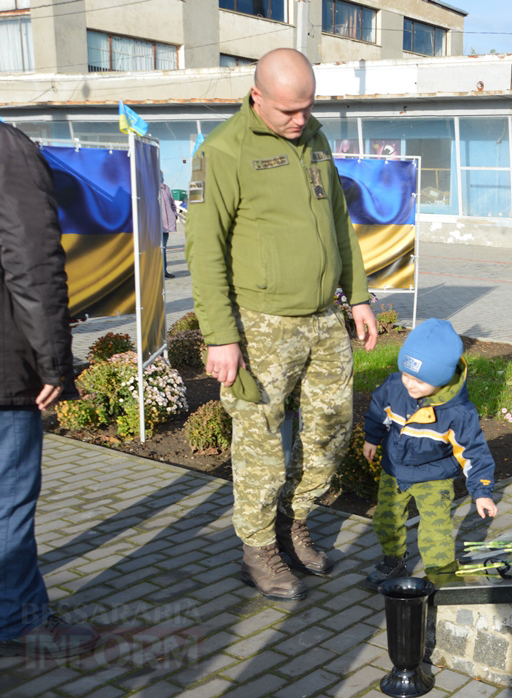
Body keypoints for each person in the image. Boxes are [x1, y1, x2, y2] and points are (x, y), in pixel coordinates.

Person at [185, 48, 378, 601]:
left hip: (322, 317)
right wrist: (220, 334)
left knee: (330, 431)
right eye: (288, 110)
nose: (300, 120)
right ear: (257, 96)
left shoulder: (314, 140)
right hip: (260, 322)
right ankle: (257, 547)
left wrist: (358, 297)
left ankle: (292, 520)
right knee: (261, 441)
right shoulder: (222, 151)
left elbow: (339, 223)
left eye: (308, 107)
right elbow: (204, 252)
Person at [0, 123, 99, 658]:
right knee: (7, 504)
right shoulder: (7, 151)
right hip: (5, 371)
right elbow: (33, 265)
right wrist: (54, 363)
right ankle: (17, 621)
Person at [362, 319, 498, 588]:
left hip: (434, 477)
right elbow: (379, 409)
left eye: (420, 381)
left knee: (435, 530)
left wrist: (482, 492)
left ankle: (442, 574)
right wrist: (372, 438)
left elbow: (473, 451)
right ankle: (394, 560)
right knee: (386, 520)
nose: (410, 385)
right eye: (406, 375)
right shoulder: (394, 387)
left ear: (442, 378)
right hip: (394, 470)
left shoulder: (458, 412)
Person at [160, 172, 178, 279]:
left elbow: (172, 203)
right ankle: (156, 270)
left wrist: (174, 214)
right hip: (155, 225)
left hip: (167, 225)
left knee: (163, 248)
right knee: (156, 249)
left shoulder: (166, 188)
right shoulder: (150, 187)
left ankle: (164, 270)